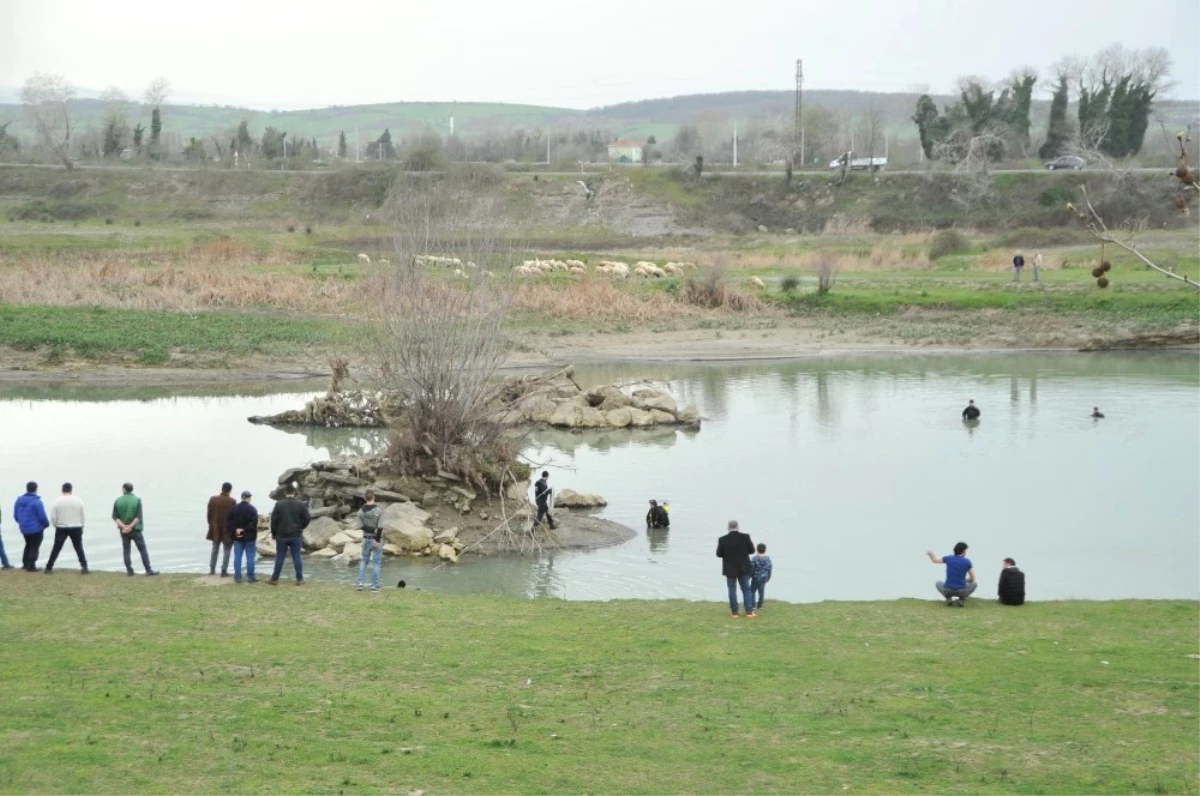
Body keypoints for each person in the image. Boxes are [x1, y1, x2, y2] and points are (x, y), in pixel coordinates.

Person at [269, 482, 310, 585]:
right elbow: (308, 518)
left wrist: (274, 533)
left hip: (281, 535)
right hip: (296, 534)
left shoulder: (279, 504)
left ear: (284, 492)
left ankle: (275, 579)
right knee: (297, 556)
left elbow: (274, 520)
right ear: (295, 492)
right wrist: (301, 527)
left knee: (280, 557)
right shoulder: (300, 504)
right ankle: (299, 579)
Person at [113, 482, 157, 576]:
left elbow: (115, 517)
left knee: (126, 550)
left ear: (124, 489)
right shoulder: (137, 500)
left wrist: (124, 527)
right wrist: (130, 526)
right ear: (131, 489)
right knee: (142, 549)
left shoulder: (118, 500)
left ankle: (129, 570)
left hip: (123, 530)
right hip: (135, 529)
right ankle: (148, 569)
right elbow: (138, 517)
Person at [716, 520, 756, 618]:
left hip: (730, 568)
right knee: (746, 589)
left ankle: (735, 613)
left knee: (732, 589)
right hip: (744, 567)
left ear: (728, 527)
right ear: (738, 527)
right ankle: (749, 612)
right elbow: (752, 550)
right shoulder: (745, 537)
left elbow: (719, 554)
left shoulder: (722, 539)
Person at [46, 482, 88, 574]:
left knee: (56, 548)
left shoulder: (58, 501)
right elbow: (82, 515)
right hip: (76, 526)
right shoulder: (78, 500)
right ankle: (84, 567)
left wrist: (56, 525)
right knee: (79, 547)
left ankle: (49, 567)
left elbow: (53, 517)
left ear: (62, 490)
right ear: (71, 490)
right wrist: (82, 525)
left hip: (62, 527)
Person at [14, 481, 50, 572]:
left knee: (28, 545)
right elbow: (42, 517)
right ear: (36, 489)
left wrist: (21, 523)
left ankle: (25, 564)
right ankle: (31, 566)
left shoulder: (19, 501)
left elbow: (15, 515)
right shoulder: (37, 502)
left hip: (24, 528)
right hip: (36, 529)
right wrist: (46, 525)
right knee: (34, 546)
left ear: (27, 489)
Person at [926, 542, 977, 606]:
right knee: (974, 584)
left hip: (948, 590)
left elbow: (935, 560)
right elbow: (973, 578)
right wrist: (965, 580)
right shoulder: (967, 562)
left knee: (938, 583)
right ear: (963, 551)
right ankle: (962, 600)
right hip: (962, 591)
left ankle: (949, 599)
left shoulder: (949, 558)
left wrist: (931, 554)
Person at [227, 490, 259, 584]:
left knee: (237, 557)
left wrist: (236, 530)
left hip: (237, 536)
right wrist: (244, 529)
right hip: (250, 537)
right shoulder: (253, 509)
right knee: (250, 557)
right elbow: (254, 523)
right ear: (249, 498)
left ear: (242, 497)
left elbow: (229, 522)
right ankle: (251, 577)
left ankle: (237, 577)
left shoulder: (234, 509)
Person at [356, 490, 385, 592]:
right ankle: (374, 586)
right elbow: (380, 527)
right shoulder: (379, 511)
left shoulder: (360, 512)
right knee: (376, 562)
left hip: (366, 538)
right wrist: (376, 539)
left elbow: (360, 526)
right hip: (377, 539)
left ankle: (360, 583)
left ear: (365, 498)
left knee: (364, 560)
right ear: (374, 497)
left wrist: (369, 529)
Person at [206, 482, 236, 577]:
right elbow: (233, 517)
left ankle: (212, 569)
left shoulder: (213, 499)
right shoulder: (232, 501)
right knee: (227, 550)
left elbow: (209, 514)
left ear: (222, 488)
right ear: (230, 490)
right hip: (227, 529)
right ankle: (224, 570)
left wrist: (211, 524)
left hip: (215, 528)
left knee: (215, 549)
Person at [750, 543, 773, 610]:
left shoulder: (754, 559)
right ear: (765, 550)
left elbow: (752, 569)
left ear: (757, 550)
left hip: (756, 577)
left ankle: (753, 605)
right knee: (761, 591)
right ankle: (760, 605)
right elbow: (770, 569)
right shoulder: (768, 559)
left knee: (752, 591)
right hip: (764, 578)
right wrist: (768, 577)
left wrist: (751, 575)